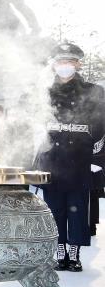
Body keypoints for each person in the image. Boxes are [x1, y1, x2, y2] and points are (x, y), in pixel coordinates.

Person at [35, 42, 105, 272]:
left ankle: (74, 255)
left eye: (69, 61)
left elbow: (101, 123)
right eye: (60, 62)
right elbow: (33, 122)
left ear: (78, 63)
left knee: (77, 209)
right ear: (54, 65)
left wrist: (97, 158)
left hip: (79, 158)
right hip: (52, 157)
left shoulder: (93, 91)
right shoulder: (44, 91)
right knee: (55, 209)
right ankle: (60, 252)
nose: (65, 66)